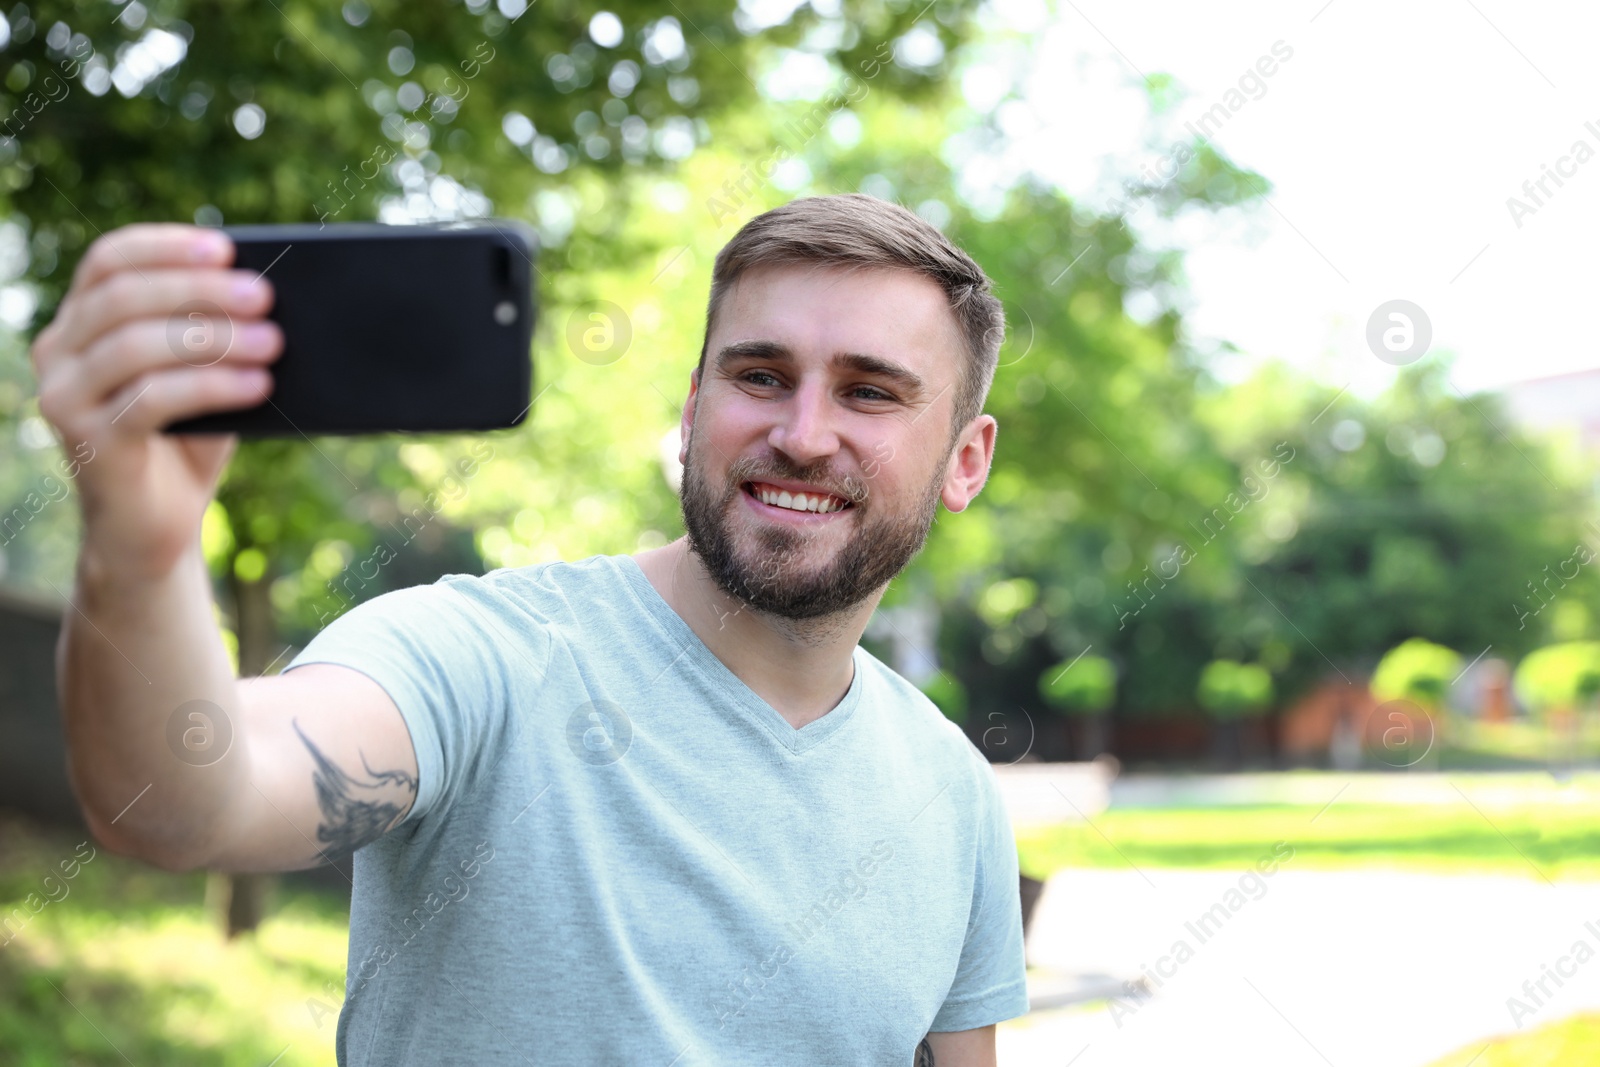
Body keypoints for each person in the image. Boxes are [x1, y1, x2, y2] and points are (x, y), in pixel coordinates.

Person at [31, 192, 1027, 1065]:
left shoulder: (952, 794)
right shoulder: (482, 656)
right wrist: (140, 551)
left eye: (869, 391)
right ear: (693, 408)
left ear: (964, 458)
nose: (804, 433)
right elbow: (179, 801)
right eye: (759, 375)